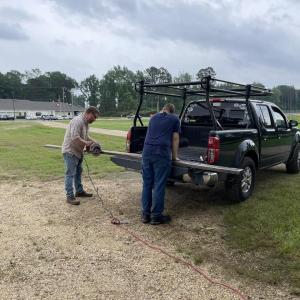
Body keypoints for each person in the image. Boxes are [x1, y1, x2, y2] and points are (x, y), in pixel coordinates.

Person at [141, 103, 180, 225]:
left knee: (147, 184)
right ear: (172, 111)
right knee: (159, 184)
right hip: (161, 153)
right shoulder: (174, 118)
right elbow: (175, 138)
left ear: (163, 109)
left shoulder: (153, 117)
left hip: (146, 152)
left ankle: (145, 215)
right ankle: (156, 216)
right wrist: (174, 157)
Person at [62, 106, 100, 205]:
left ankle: (79, 191)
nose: (95, 120)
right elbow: (75, 138)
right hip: (70, 151)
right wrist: (87, 144)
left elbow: (85, 136)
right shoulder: (77, 121)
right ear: (89, 113)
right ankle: (70, 197)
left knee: (78, 172)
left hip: (78, 151)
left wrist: (94, 142)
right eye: (94, 117)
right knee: (70, 174)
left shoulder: (86, 123)